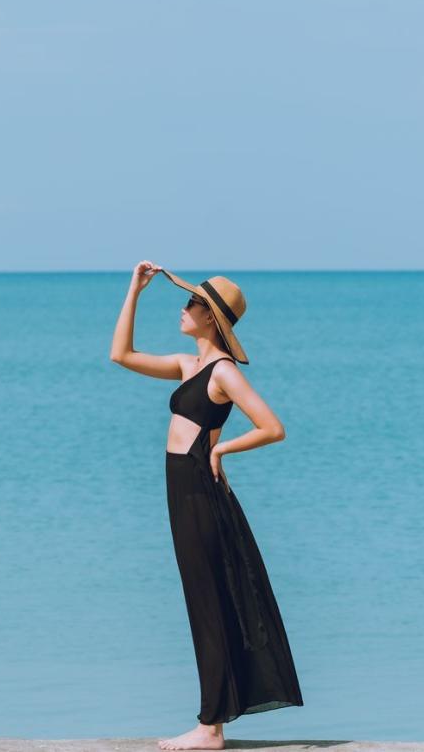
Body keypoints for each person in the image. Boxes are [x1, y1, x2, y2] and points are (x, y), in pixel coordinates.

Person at [110, 259, 305, 751]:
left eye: (193, 302)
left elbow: (272, 427)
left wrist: (221, 448)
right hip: (180, 490)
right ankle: (211, 720)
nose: (184, 307)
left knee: (210, 600)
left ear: (212, 317)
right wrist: (134, 290)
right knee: (201, 600)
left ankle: (210, 727)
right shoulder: (185, 365)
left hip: (200, 488)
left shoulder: (223, 373)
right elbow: (121, 355)